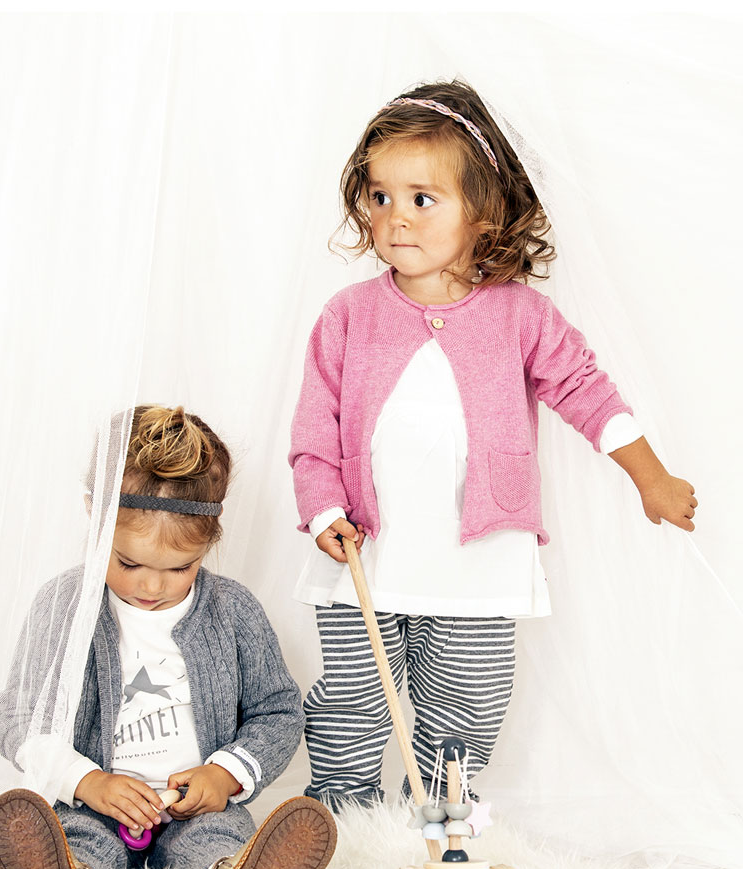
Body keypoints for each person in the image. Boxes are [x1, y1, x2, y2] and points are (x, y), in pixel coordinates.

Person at [289, 80, 697, 810]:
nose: (394, 219)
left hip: (477, 559)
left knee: (468, 698)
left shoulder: (522, 317)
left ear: (483, 216)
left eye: (422, 199)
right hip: (365, 552)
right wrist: (322, 510)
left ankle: (442, 815)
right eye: (379, 197)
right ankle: (336, 813)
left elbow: (585, 391)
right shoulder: (347, 316)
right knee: (353, 695)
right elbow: (314, 428)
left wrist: (651, 477)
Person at [0, 405, 336, 869]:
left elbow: (277, 710)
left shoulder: (234, 611)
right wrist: (87, 782)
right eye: (129, 564)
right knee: (76, 837)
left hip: (192, 809)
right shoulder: (63, 606)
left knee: (217, 838)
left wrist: (224, 775)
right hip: (94, 806)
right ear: (94, 517)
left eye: (180, 568)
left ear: (210, 541)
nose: (152, 586)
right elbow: (18, 717)